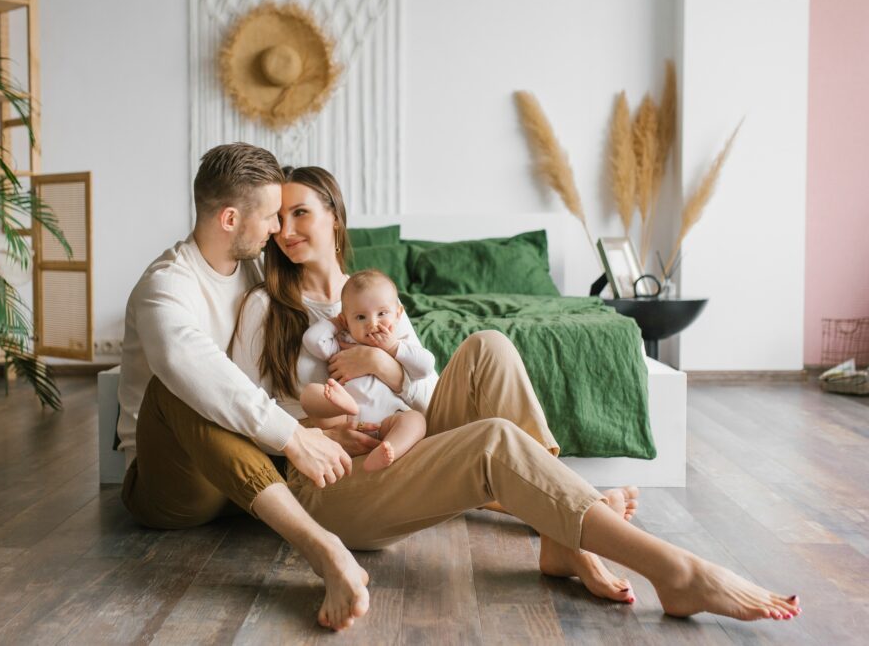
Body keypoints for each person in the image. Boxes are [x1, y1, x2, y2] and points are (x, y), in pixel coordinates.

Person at [231, 164, 802, 626]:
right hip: (335, 482)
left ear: (334, 216)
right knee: (495, 441)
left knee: (489, 344)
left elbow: (425, 404)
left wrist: (387, 367)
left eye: (300, 212)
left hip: (401, 440)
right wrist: (319, 425)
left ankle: (561, 540)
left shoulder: (380, 302)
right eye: (278, 219)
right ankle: (675, 571)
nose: (286, 230)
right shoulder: (267, 306)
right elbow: (247, 411)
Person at [117, 143, 371, 631]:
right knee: (174, 386)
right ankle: (323, 549)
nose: (280, 230)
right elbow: (188, 365)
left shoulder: (256, 270)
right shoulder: (166, 286)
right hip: (177, 487)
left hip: (249, 470)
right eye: (273, 216)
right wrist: (294, 438)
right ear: (230, 218)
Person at [299, 269, 433, 472]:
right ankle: (347, 405)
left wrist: (392, 348)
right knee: (310, 393)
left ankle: (389, 450)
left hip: (389, 420)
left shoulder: (400, 346)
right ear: (346, 321)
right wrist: (336, 323)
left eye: (382, 313)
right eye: (361, 317)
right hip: (347, 421)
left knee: (416, 421)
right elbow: (312, 341)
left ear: (398, 314)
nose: (373, 323)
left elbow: (425, 367)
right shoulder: (343, 342)